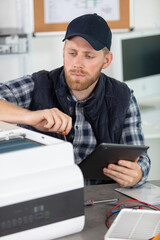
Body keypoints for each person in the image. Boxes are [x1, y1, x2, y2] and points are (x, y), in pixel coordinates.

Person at [0, 14, 150, 187]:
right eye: (72, 53)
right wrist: (29, 117)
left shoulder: (124, 97)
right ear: (63, 52)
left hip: (101, 199)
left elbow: (141, 160)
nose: (77, 63)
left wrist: (138, 174)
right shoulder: (37, 85)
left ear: (106, 60)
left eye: (89, 56)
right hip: (45, 196)